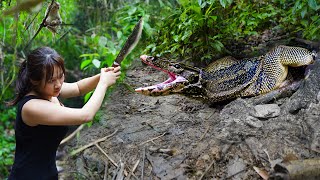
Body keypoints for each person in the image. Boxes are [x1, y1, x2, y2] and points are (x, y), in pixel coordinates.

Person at [7, 46, 121, 180]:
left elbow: (78, 88)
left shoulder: (48, 90)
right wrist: (103, 83)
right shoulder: (31, 107)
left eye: (61, 76)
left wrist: (102, 76)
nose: (58, 84)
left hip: (49, 174)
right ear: (34, 80)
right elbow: (86, 115)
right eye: (51, 80)